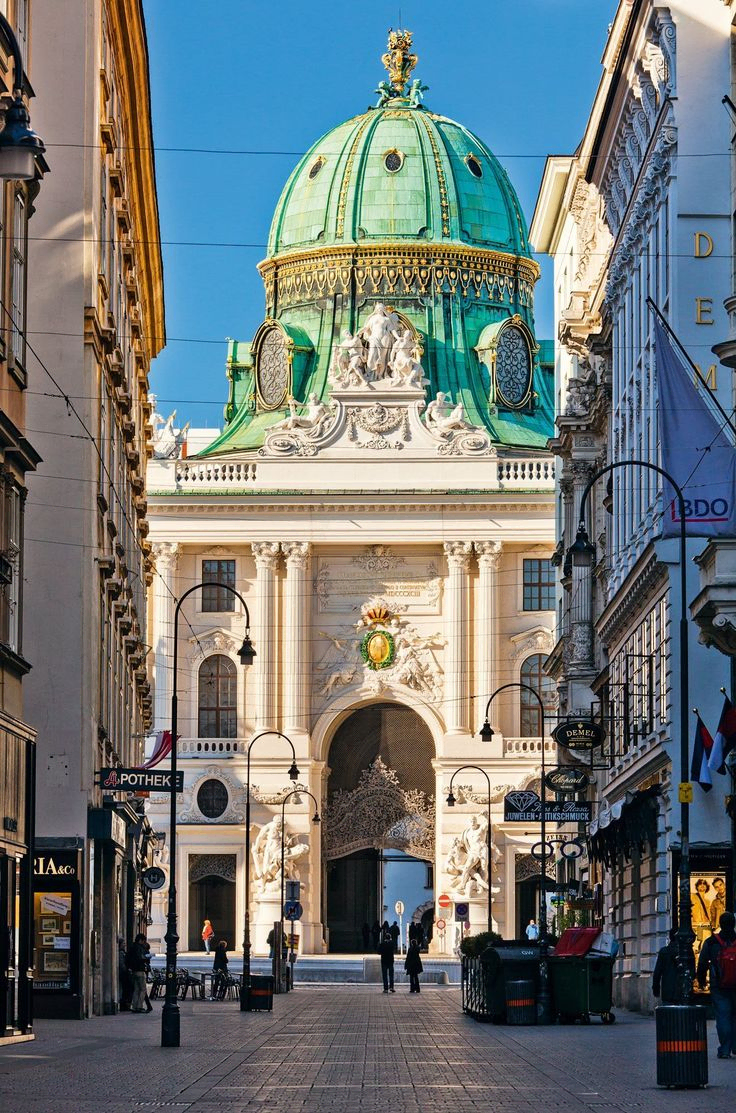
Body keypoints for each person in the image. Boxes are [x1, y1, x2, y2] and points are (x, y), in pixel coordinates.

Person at [697, 911, 736, 1059]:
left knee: (723, 1016)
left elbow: (702, 963)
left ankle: (725, 1049)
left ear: (720, 924)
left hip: (719, 985)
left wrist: (701, 981)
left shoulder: (712, 942)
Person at [126, 933, 152, 1014]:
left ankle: (134, 1006)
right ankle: (139, 1006)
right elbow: (141, 958)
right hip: (140, 970)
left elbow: (128, 958)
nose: (144, 943)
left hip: (133, 971)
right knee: (143, 989)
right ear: (140, 940)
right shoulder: (140, 948)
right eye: (143, 941)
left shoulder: (132, 947)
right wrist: (147, 957)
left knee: (136, 989)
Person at [652, 928, 680, 1005]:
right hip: (682, 992)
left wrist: (656, 989)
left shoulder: (664, 952)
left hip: (667, 991)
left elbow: (657, 972)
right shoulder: (686, 952)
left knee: (667, 1010)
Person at [118, 936, 133, 1011]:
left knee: (125, 990)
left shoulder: (122, 952)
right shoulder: (121, 953)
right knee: (125, 990)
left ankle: (125, 1004)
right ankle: (124, 1005)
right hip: (123, 974)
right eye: (123, 943)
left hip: (124, 973)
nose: (125, 945)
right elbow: (122, 964)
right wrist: (127, 970)